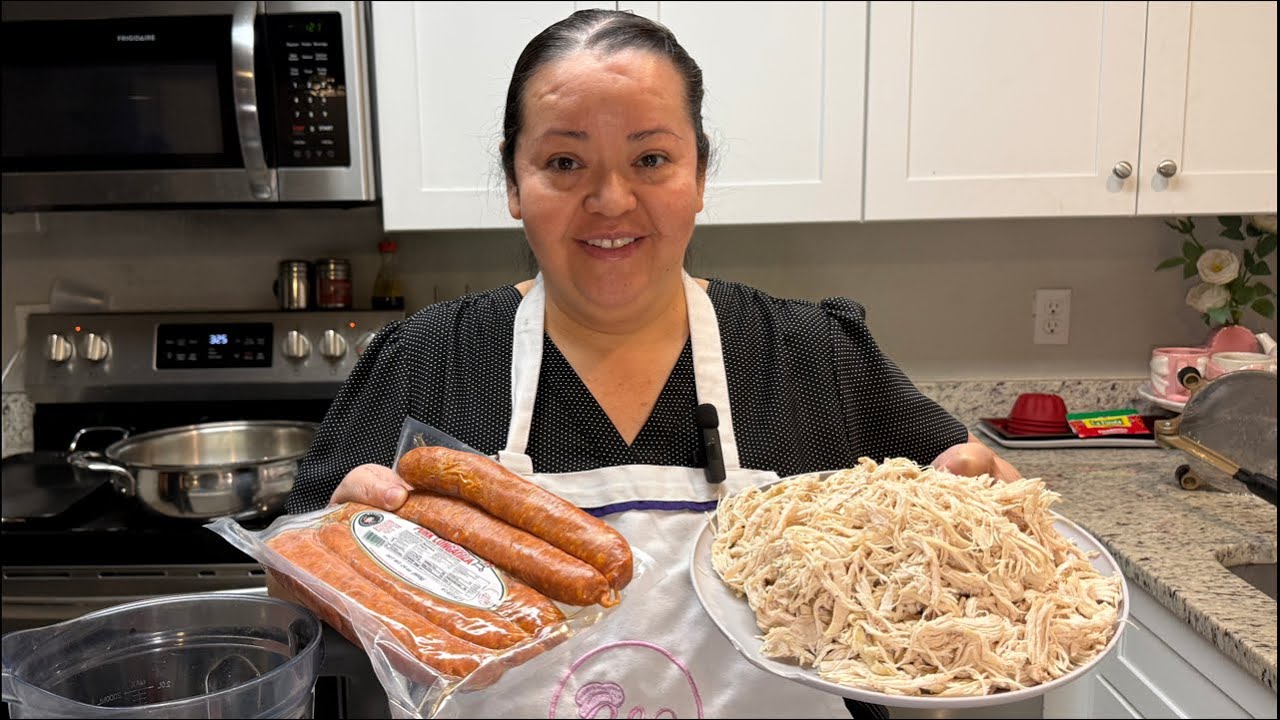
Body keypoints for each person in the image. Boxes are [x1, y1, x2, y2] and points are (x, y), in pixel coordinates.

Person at [282, 9, 1019, 718]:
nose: (610, 200)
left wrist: (989, 514)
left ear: (699, 176)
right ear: (513, 184)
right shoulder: (429, 359)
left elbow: (976, 536)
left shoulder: (813, 356)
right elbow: (295, 598)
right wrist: (346, 565)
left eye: (651, 159)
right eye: (564, 162)